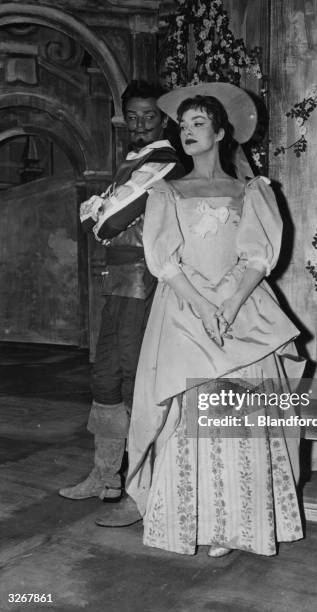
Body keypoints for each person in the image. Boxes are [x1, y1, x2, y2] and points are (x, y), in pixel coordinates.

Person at [126, 82, 305, 557]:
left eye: (198, 123)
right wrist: (205, 308)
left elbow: (257, 257)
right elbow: (164, 260)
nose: (187, 132)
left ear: (221, 132)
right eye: (183, 125)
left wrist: (230, 304)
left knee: (240, 415)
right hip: (187, 310)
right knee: (194, 415)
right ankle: (197, 519)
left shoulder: (252, 190)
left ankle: (239, 524)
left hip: (242, 308)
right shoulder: (166, 190)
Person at [59, 81, 185, 527]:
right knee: (104, 374)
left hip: (141, 278)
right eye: (131, 117)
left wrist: (102, 213)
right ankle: (105, 476)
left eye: (149, 117)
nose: (139, 125)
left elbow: (108, 220)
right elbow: (98, 217)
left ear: (164, 118)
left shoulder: (166, 158)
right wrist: (102, 213)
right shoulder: (135, 160)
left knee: (133, 378)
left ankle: (141, 488)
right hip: (118, 278)